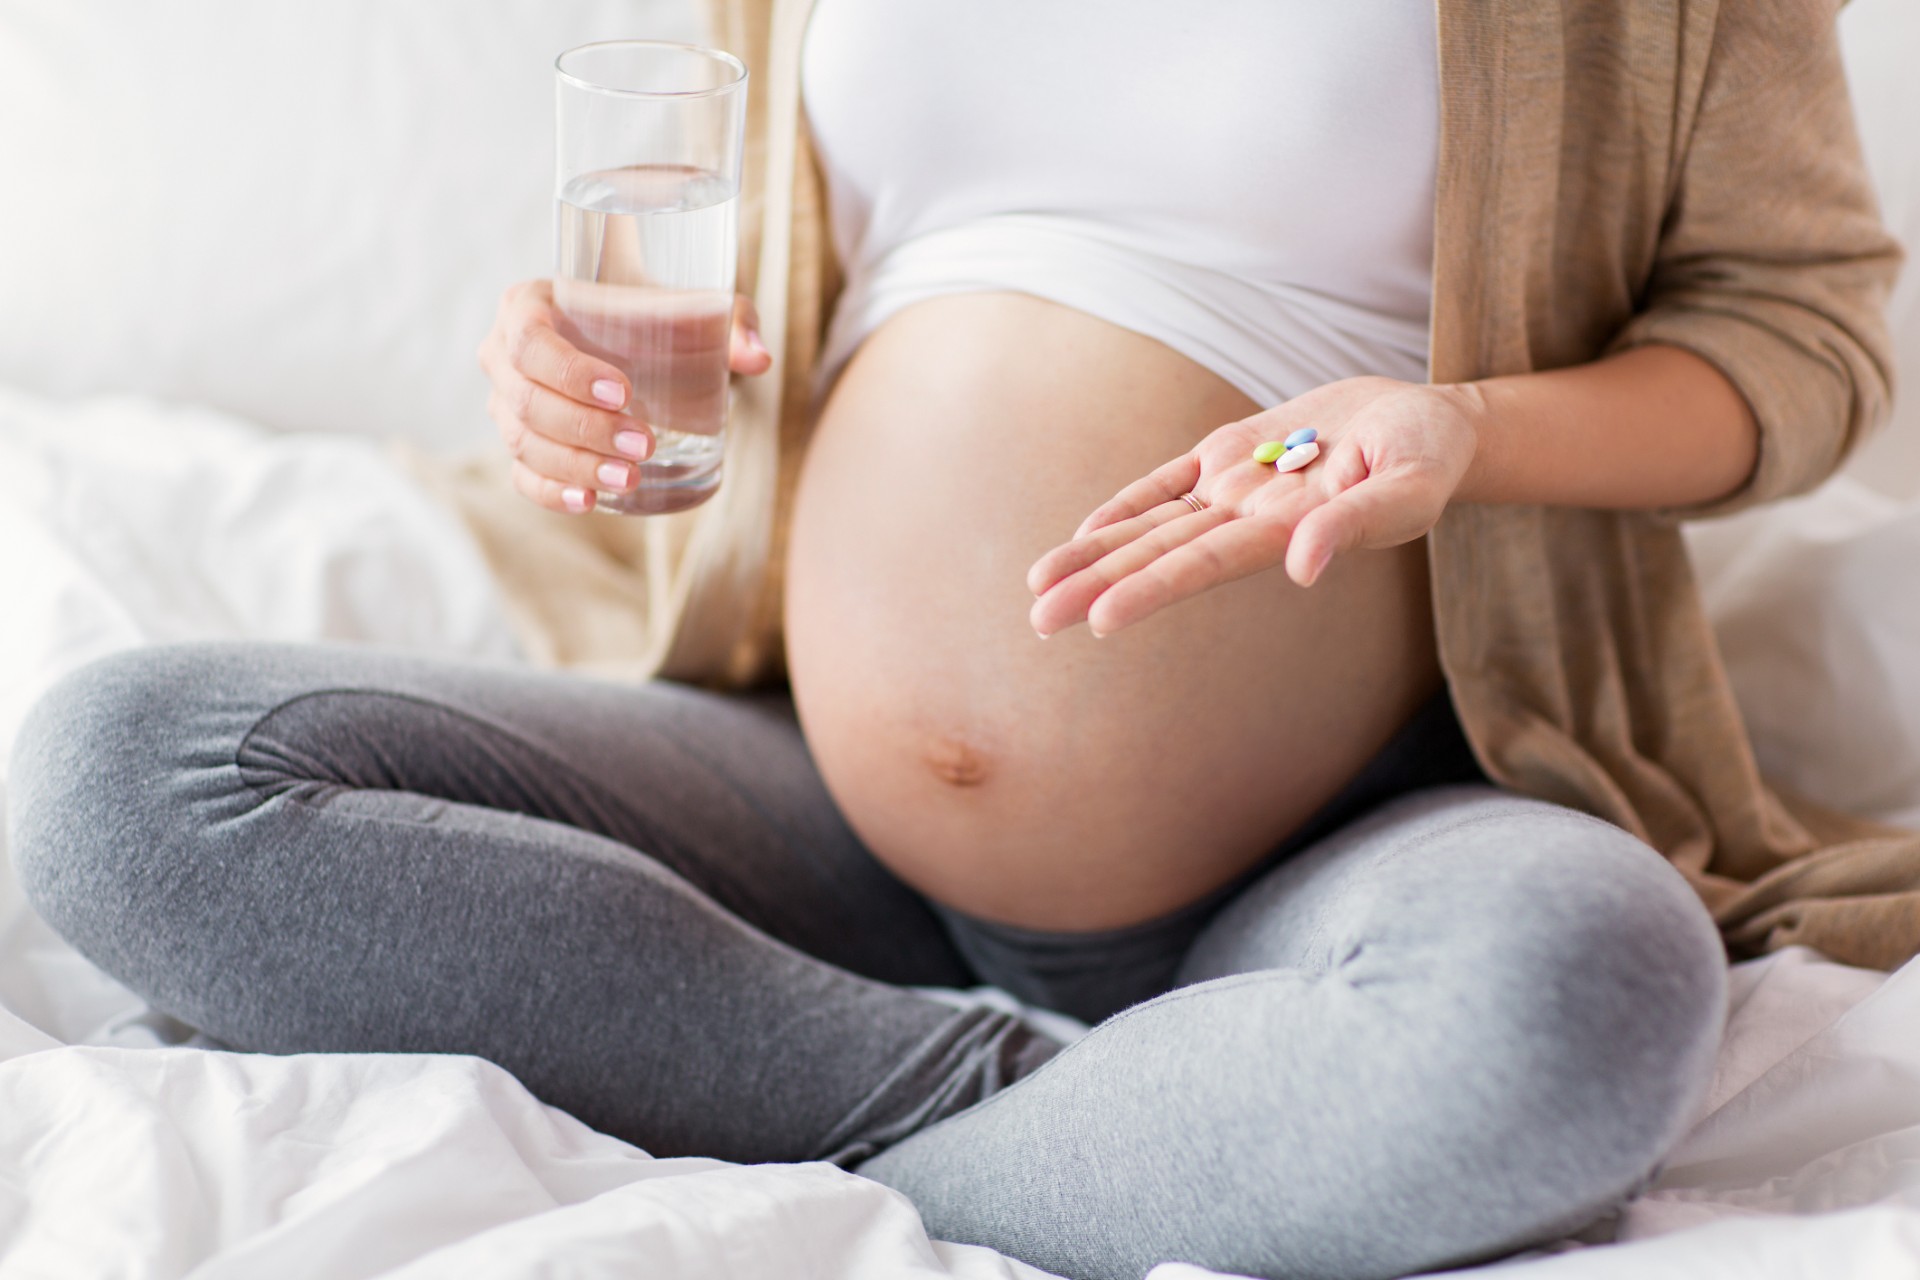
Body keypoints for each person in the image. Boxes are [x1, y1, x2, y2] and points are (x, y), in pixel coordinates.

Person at [9, 3, 1904, 1279]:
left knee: (1587, 1004)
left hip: (1350, 824)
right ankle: (1023, 1119)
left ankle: (850, 1137)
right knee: (122, 778)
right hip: (809, 799)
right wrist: (558, 366)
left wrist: (1469, 432)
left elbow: (1803, 344)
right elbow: (743, 278)